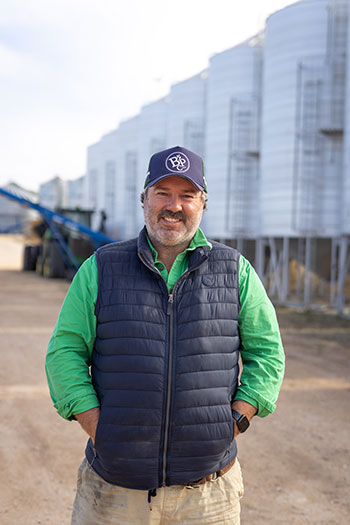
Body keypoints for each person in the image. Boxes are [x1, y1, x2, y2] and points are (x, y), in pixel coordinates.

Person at [46, 145, 285, 524]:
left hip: (207, 497)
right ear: (144, 200)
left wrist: (236, 421)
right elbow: (65, 351)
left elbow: (268, 353)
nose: (174, 205)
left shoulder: (235, 271)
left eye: (187, 195)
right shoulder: (101, 268)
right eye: (163, 193)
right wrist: (97, 426)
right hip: (114, 492)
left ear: (202, 204)